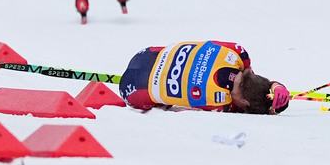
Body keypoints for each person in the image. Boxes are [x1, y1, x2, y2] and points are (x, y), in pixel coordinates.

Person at [119, 41, 290, 114]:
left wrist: (274, 85)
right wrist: (271, 108)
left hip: (146, 53)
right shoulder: (221, 105)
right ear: (244, 101)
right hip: (132, 90)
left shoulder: (239, 54)